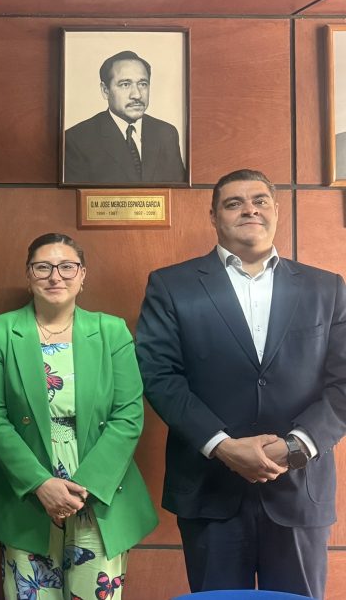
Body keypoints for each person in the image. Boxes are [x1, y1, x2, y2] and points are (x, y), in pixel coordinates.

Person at [136, 168, 346, 598]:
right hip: (209, 488)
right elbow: (159, 375)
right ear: (214, 216)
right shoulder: (171, 286)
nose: (249, 209)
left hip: (299, 487)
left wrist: (295, 447)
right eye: (234, 203)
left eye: (260, 200)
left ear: (276, 211)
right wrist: (223, 446)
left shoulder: (327, 288)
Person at [0, 233, 157, 599]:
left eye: (66, 267)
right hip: (28, 489)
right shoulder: (1, 332)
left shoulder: (111, 331)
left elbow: (128, 415)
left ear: (82, 275)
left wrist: (86, 486)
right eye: (43, 267)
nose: (55, 276)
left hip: (99, 488)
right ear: (29, 275)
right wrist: (40, 484)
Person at [64, 50, 185, 185]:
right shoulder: (77, 139)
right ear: (105, 90)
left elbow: (178, 192)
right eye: (125, 84)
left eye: (143, 84)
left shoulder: (166, 133)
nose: (137, 95)